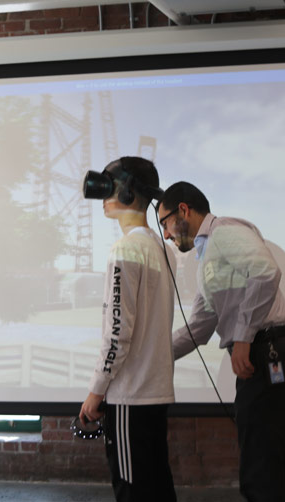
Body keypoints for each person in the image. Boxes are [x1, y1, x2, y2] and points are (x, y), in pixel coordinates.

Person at [157, 181, 285, 502]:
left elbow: (266, 272)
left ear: (183, 210)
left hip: (267, 354)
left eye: (165, 223)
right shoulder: (207, 257)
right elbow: (199, 326)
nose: (166, 234)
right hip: (265, 354)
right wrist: (152, 356)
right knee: (272, 465)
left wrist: (242, 336)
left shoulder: (223, 232)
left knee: (261, 469)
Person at [79, 156, 177, 502]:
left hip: (130, 396)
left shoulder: (125, 249)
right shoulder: (162, 249)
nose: (103, 196)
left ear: (129, 193)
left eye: (110, 187)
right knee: (157, 486)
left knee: (133, 490)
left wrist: (96, 391)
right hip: (155, 392)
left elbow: (117, 331)